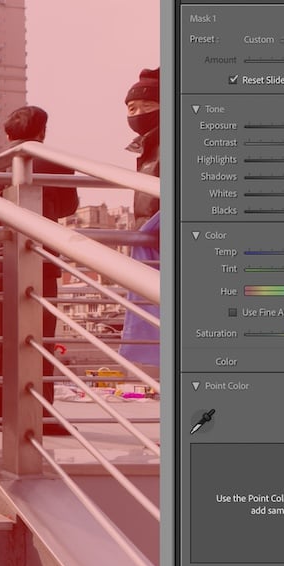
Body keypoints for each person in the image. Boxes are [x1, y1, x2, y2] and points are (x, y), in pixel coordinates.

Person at [0, 106, 79, 414]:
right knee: (40, 339)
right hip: (40, 260)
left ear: (8, 134)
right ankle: (39, 412)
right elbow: (67, 207)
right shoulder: (57, 164)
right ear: (41, 132)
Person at [119, 67, 161, 378]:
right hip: (149, 235)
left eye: (148, 106)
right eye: (132, 108)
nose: (138, 113)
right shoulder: (147, 145)